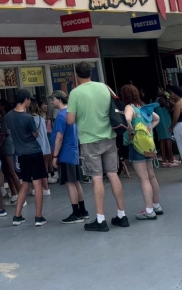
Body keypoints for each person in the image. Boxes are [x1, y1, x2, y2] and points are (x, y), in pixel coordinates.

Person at [67, 62, 129, 231]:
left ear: (77, 75)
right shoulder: (104, 87)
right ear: (91, 73)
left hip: (89, 140)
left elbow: (70, 120)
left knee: (96, 177)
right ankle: (122, 215)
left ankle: (101, 220)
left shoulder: (75, 93)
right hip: (109, 136)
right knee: (113, 174)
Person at [120, 85, 163, 221]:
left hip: (137, 145)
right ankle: (156, 205)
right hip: (149, 145)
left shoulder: (129, 108)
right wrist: (147, 128)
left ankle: (149, 210)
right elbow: (157, 119)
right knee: (151, 176)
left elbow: (126, 120)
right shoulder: (143, 107)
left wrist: (132, 131)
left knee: (143, 178)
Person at [5, 89, 47, 226]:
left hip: (21, 153)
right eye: (29, 99)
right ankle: (38, 217)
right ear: (25, 99)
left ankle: (17, 216)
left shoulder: (8, 116)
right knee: (37, 184)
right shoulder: (28, 118)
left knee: (24, 183)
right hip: (34, 152)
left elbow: (10, 132)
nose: (30, 101)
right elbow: (35, 134)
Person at [50, 89, 87, 223]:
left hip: (65, 154)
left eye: (53, 99)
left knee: (69, 184)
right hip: (74, 152)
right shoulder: (71, 114)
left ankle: (76, 213)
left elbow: (59, 137)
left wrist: (55, 156)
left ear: (59, 100)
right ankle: (83, 210)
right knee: (76, 182)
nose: (51, 101)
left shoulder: (61, 117)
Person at [31, 101, 52, 196]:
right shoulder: (42, 118)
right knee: (44, 169)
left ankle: (35, 188)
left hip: (37, 146)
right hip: (45, 145)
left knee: (35, 169)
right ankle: (46, 188)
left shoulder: (31, 120)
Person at [154, 95, 176, 166]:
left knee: (162, 141)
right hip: (166, 121)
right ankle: (170, 159)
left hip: (159, 123)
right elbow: (169, 109)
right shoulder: (161, 99)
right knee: (168, 140)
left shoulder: (154, 101)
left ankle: (164, 159)